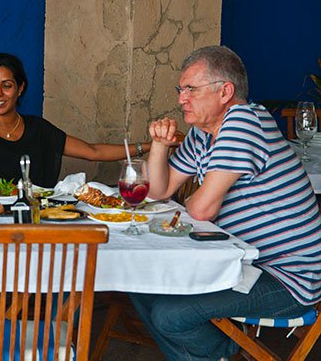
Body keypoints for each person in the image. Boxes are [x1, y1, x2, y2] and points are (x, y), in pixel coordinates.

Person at [129, 45, 321, 360]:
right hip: (238, 261)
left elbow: (201, 210)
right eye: (180, 89)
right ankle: (220, 352)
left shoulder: (243, 121)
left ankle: (221, 352)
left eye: (191, 89)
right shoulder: (203, 133)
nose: (181, 99)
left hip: (286, 276)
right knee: (139, 279)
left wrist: (193, 199)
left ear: (225, 92)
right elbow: (158, 192)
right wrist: (161, 146)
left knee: (170, 315)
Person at [0, 52, 151, 188]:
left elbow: (93, 151)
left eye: (7, 86)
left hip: (32, 226)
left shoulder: (38, 129)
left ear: (20, 89)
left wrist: (149, 146)